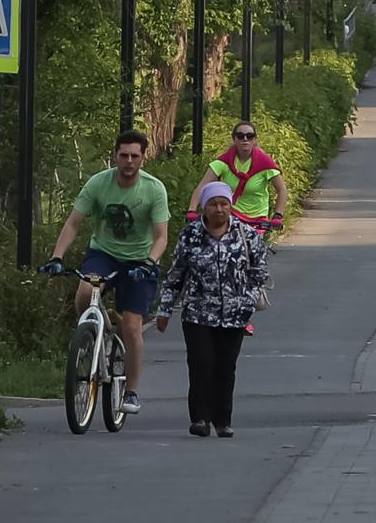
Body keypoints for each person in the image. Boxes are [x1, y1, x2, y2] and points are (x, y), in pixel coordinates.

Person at [39, 130, 171, 416]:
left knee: (133, 326)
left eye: (135, 156)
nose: (128, 161)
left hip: (140, 260)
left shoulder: (153, 188)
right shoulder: (99, 183)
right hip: (104, 254)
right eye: (123, 155)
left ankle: (132, 391)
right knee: (85, 292)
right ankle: (90, 334)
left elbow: (162, 236)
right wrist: (56, 256)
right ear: (115, 155)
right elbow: (74, 223)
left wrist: (150, 261)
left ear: (143, 158)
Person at [155, 180, 268, 438]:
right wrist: (164, 310)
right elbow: (176, 275)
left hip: (234, 314)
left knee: (225, 367)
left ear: (231, 206)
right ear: (204, 208)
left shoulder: (245, 234)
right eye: (213, 205)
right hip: (197, 312)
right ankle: (200, 419)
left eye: (224, 204)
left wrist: (247, 300)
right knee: (200, 363)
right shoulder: (191, 234)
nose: (219, 209)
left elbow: (259, 272)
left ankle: (222, 420)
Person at [185, 120, 286, 230]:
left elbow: (281, 190)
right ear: (234, 139)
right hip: (230, 217)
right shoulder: (224, 162)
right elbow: (203, 186)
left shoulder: (265, 163)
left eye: (250, 136)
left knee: (254, 246)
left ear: (255, 140)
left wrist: (277, 215)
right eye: (240, 136)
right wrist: (192, 210)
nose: (245, 139)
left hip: (257, 220)